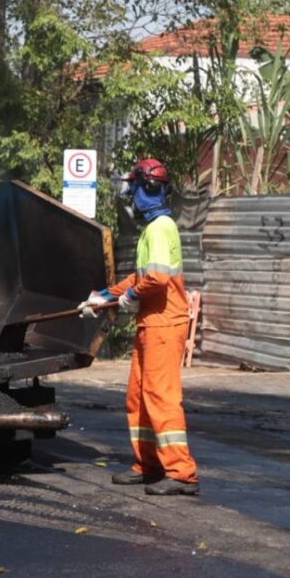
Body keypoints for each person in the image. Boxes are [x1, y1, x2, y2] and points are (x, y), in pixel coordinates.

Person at [78, 158, 199, 496]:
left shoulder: (161, 227)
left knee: (161, 396)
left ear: (147, 188)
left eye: (133, 188)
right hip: (151, 324)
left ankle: (181, 472)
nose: (131, 195)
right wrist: (104, 295)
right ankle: (148, 464)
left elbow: (157, 280)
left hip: (165, 324)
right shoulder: (152, 228)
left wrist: (129, 296)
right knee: (139, 396)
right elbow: (141, 277)